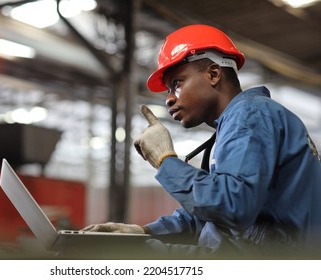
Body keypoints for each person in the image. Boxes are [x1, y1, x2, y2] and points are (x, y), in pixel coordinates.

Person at [83, 24, 321, 259]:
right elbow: (214, 216)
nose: (168, 100)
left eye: (176, 84)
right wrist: (143, 231)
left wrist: (166, 161)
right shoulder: (246, 120)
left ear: (213, 74)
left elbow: (232, 207)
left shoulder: (249, 116)